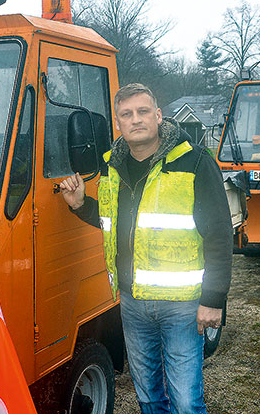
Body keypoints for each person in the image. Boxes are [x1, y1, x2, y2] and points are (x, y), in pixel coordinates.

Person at [58, 83, 233, 414]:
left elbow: (220, 236)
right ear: (118, 122)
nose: (135, 120)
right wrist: (81, 205)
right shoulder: (113, 167)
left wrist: (213, 300)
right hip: (133, 303)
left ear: (158, 115)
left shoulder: (195, 162)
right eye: (127, 114)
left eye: (142, 111)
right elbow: (116, 222)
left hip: (182, 306)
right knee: (149, 396)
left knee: (185, 400)